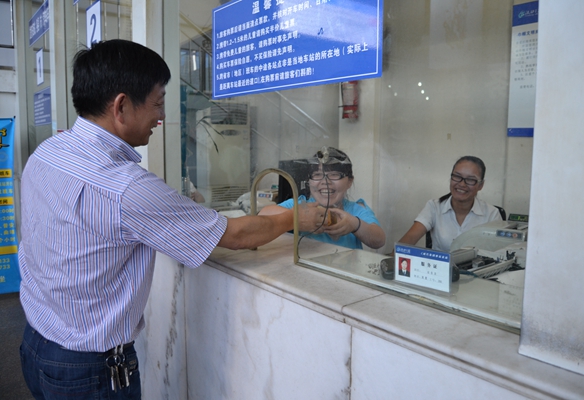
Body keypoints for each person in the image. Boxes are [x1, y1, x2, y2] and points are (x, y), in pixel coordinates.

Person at [18, 39, 324, 400]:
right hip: (90, 372)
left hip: (36, 343)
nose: (161, 117)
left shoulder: (49, 151)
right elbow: (236, 235)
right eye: (158, 103)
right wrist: (295, 217)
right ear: (121, 106)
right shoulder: (126, 188)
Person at [260, 147, 386, 250]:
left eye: (335, 175)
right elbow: (263, 215)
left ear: (349, 182)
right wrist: (298, 218)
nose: (325, 182)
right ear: (309, 181)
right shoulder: (302, 204)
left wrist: (355, 224)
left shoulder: (355, 209)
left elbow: (379, 240)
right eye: (317, 175)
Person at [398, 155, 501, 252]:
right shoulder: (434, 207)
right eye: (457, 176)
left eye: (470, 180)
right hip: (439, 265)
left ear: (481, 185)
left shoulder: (492, 214)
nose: (462, 184)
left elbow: (500, 254)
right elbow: (406, 243)